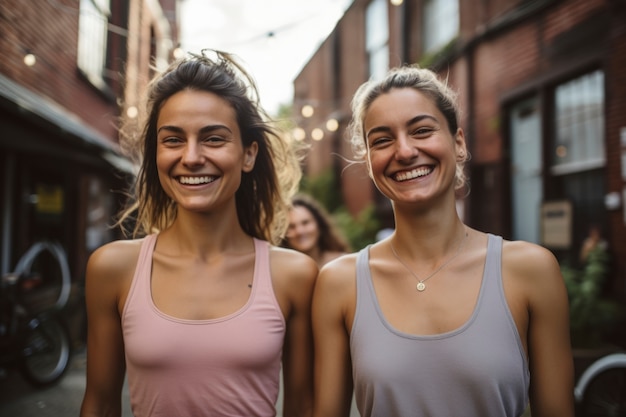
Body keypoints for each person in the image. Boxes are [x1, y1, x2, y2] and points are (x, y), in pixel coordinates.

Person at [312, 65, 574, 417]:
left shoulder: (530, 270)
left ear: (459, 142)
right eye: (382, 140)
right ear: (370, 162)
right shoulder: (339, 283)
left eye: (421, 130)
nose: (404, 152)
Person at [80, 50, 317, 417]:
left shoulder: (294, 276)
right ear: (155, 154)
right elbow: (99, 402)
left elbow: (303, 407)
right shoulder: (112, 268)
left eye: (213, 139)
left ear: (249, 154)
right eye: (173, 140)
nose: (191, 157)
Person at [282, 194, 351, 267]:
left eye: (305, 223)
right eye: (291, 226)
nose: (300, 231)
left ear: (319, 224)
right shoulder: (280, 272)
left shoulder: (343, 263)